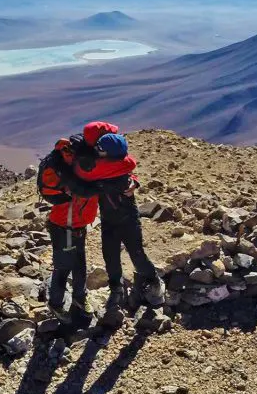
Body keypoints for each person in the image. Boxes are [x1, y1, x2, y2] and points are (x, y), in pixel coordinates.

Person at [75, 122, 165, 314]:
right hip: (117, 219)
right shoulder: (120, 166)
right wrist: (135, 181)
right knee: (120, 255)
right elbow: (128, 166)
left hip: (121, 219)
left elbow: (84, 172)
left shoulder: (103, 170)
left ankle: (147, 282)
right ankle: (125, 286)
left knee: (126, 255)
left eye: (100, 149)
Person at [36, 136, 99, 326]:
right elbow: (87, 191)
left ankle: (79, 297)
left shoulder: (75, 167)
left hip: (74, 225)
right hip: (65, 227)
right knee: (64, 266)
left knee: (79, 263)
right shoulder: (72, 174)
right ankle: (56, 304)